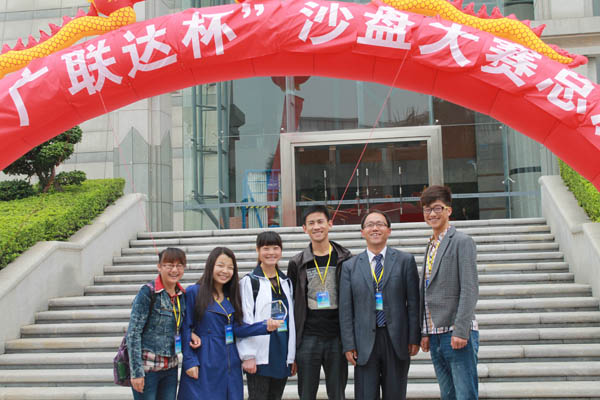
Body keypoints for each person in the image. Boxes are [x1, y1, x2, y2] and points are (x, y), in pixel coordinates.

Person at [177, 247, 282, 400]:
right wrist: (189, 361)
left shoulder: (232, 295)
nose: (225, 271)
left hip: (229, 360)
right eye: (220, 265)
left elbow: (237, 329)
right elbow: (185, 327)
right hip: (205, 357)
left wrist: (264, 326)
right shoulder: (195, 292)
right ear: (210, 266)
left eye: (230, 267)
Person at [339, 210, 420, 400]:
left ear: (389, 230)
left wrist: (414, 337)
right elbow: (346, 309)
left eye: (380, 224)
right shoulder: (350, 266)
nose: (375, 228)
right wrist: (349, 344)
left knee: (395, 395)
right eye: (370, 225)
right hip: (364, 342)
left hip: (396, 340)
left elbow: (413, 303)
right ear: (362, 232)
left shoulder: (405, 261)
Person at [418, 185, 479, 400]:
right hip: (435, 334)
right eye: (427, 209)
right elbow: (427, 290)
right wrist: (425, 331)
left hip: (456, 332)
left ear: (449, 210)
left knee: (465, 395)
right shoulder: (431, 245)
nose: (432, 214)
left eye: (437, 208)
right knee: (448, 395)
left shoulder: (462, 241)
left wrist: (461, 331)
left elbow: (469, 289)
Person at [287, 205, 352, 400]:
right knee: (307, 393)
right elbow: (293, 302)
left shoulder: (346, 259)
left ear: (330, 224)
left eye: (320, 222)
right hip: (308, 337)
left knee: (337, 393)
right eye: (311, 223)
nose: (316, 227)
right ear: (304, 228)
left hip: (337, 337)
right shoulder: (297, 263)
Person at [237, 231, 296, 400]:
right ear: (257, 250)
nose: (271, 252)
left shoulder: (286, 282)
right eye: (266, 248)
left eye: (275, 248)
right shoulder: (250, 282)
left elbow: (291, 320)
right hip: (260, 354)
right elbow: (245, 319)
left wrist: (292, 356)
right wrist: (248, 355)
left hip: (281, 351)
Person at [126, 247, 187, 400]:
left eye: (179, 265)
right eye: (169, 265)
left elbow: (181, 326)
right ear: (159, 267)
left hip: (170, 367)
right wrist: (136, 373)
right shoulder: (148, 292)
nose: (174, 270)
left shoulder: (182, 296)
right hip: (148, 368)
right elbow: (133, 333)